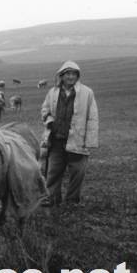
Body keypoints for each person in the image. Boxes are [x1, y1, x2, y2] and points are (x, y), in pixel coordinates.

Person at [40, 60, 98, 206]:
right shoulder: (53, 92)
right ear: (61, 76)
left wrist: (89, 140)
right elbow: (45, 110)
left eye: (73, 74)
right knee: (53, 171)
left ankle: (72, 200)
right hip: (57, 138)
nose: (70, 77)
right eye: (67, 74)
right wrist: (49, 120)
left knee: (77, 172)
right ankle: (52, 198)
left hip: (77, 138)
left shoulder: (87, 92)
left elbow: (92, 117)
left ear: (77, 76)